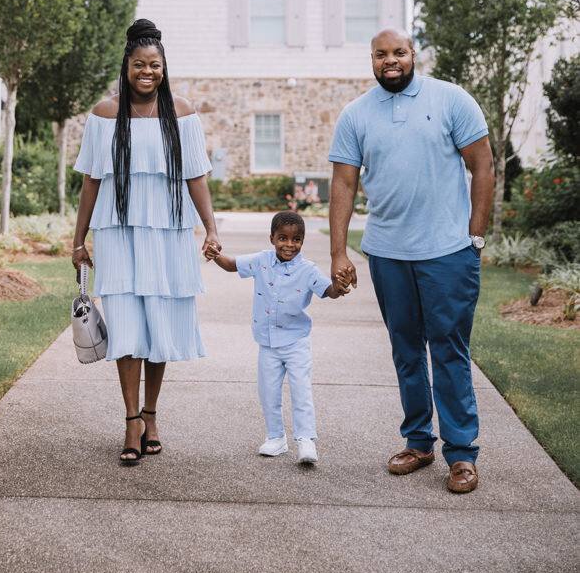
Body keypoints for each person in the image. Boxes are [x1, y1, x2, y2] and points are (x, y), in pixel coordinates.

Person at [328, 28, 494, 494]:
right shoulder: (356, 113)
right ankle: (419, 442)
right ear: (372, 60)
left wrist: (475, 237)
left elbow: (483, 165)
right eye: (381, 54)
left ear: (413, 53)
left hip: (448, 253)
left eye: (398, 52)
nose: (390, 61)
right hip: (387, 253)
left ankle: (461, 454)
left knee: (448, 349)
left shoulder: (451, 100)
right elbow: (343, 184)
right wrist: (339, 251)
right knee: (405, 351)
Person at [71, 19, 220, 466]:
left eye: (155, 65)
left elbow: (196, 175)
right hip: (118, 233)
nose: (147, 72)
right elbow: (91, 181)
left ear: (164, 67)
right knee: (128, 328)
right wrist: (78, 239)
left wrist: (211, 228)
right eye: (139, 65)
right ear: (127, 66)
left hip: (170, 231)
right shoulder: (103, 114)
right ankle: (131, 420)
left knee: (160, 327)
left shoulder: (184, 112)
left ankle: (152, 415)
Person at [205, 210, 352, 464]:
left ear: (302, 241)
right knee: (268, 392)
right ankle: (276, 438)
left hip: (296, 342)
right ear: (271, 238)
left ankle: (306, 440)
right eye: (282, 238)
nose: (289, 245)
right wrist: (215, 255)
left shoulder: (308, 270)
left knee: (301, 391)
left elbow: (328, 291)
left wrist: (339, 287)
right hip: (267, 343)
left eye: (296, 240)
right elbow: (231, 265)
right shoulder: (261, 261)